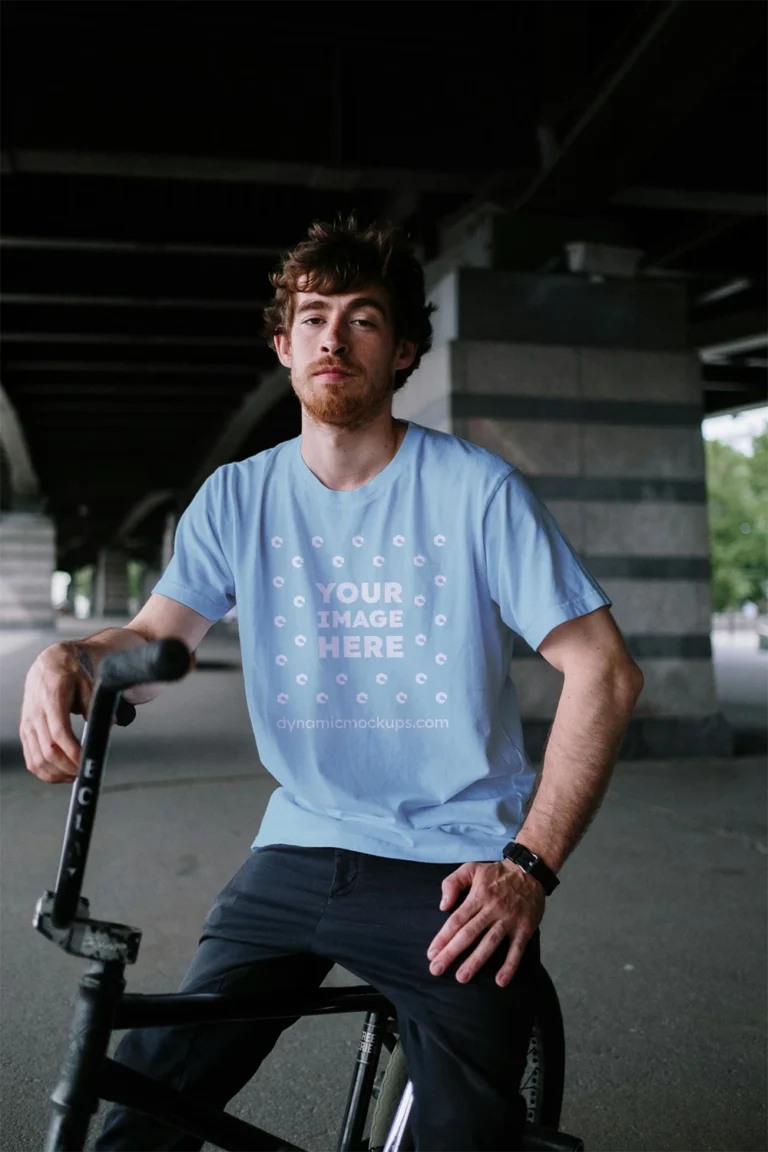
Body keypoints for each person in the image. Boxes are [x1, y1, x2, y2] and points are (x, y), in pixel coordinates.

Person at [21, 216, 644, 1152]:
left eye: (362, 319)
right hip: (301, 844)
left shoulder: (475, 491)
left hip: (456, 862)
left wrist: (527, 869)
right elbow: (158, 644)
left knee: (462, 1135)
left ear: (403, 352)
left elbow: (605, 670)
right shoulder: (238, 496)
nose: (332, 337)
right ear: (284, 345)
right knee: (143, 1098)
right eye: (313, 317)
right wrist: (67, 658)